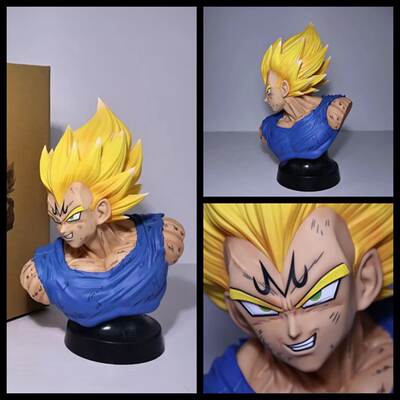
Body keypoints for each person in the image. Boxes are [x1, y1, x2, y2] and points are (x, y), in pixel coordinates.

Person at [204, 204, 393, 393]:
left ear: (366, 281)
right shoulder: (225, 386)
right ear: (238, 314)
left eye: (318, 295)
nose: (293, 330)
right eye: (261, 308)